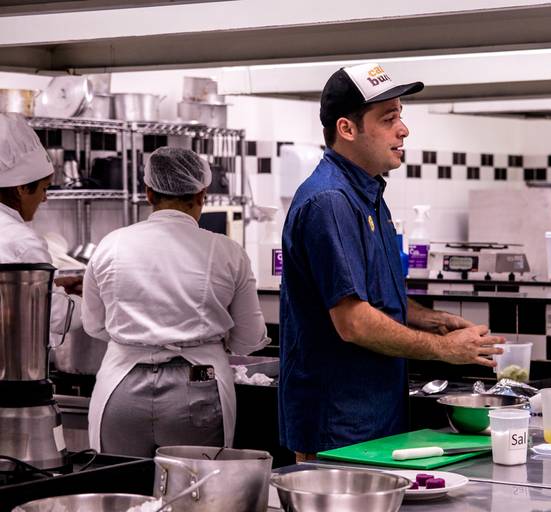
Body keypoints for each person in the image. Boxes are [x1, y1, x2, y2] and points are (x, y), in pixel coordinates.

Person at [279, 63, 504, 460]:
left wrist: (430, 319)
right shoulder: (330, 201)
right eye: (388, 119)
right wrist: (443, 348)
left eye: (401, 115)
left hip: (374, 416)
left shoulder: (367, 195)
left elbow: (373, 293)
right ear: (347, 129)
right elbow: (353, 322)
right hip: (337, 425)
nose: (403, 129)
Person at [82, 146, 269, 457]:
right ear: (202, 194)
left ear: (148, 193)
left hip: (120, 390)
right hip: (198, 388)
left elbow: (94, 325)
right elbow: (248, 340)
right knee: (197, 496)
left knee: (120, 491)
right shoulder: (227, 252)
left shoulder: (109, 245)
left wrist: (140, 337)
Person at [0, 113, 81, 334]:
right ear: (21, 188)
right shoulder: (21, 239)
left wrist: (54, 287)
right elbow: (55, 318)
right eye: (44, 189)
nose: (44, 198)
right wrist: (93, 301)